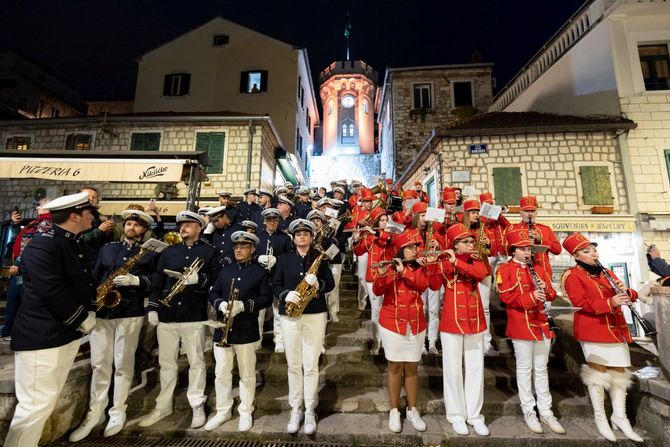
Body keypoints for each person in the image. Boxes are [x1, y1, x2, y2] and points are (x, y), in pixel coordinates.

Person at [4, 192, 97, 447]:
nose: (93, 216)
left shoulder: (73, 243)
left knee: (45, 403)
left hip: (62, 335)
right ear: (75, 216)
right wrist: (81, 318)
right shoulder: (45, 245)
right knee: (34, 407)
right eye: (88, 212)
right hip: (41, 336)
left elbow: (83, 283)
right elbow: (52, 290)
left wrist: (91, 309)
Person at [70, 209, 161, 441]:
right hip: (103, 313)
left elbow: (158, 281)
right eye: (129, 223)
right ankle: (95, 413)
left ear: (144, 230)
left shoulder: (149, 253)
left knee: (123, 364)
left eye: (137, 225)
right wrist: (91, 306)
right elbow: (95, 277)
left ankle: (118, 410)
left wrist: (137, 280)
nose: (132, 228)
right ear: (124, 227)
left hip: (130, 312)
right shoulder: (108, 249)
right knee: (99, 364)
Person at [139, 211, 219, 429]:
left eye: (188, 224)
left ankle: (197, 405)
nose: (182, 228)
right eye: (181, 224)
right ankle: (163, 406)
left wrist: (199, 279)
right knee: (166, 364)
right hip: (167, 314)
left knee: (196, 363)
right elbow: (158, 281)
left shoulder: (209, 251)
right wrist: (153, 308)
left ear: (199, 227)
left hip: (193, 314)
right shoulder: (169, 252)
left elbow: (215, 277)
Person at [561, 233, 643, 442]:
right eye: (587, 251)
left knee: (619, 373)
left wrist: (628, 293)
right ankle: (600, 417)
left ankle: (620, 416)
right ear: (576, 256)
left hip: (615, 329)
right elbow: (580, 302)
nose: (593, 254)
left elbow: (625, 292)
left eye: (594, 250)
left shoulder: (605, 273)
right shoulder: (572, 275)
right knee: (597, 374)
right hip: (593, 329)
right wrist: (611, 303)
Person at [496, 228, 565, 435]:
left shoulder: (539, 268)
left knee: (542, 369)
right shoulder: (504, 270)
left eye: (529, 249)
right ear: (513, 250)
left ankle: (546, 411)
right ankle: (529, 411)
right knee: (525, 369)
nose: (528, 252)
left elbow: (552, 294)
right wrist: (532, 296)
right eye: (524, 249)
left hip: (542, 323)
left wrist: (546, 288)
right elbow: (506, 298)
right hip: (521, 324)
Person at [205, 231, 272, 431]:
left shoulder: (260, 272)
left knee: (247, 374)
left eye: (243, 247)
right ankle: (223, 411)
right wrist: (221, 304)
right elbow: (214, 292)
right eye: (236, 247)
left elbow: (266, 298)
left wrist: (245, 305)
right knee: (221, 373)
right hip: (223, 328)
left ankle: (245, 409)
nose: (238, 250)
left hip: (246, 329)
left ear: (252, 249)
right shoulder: (226, 270)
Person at [427, 223, 489, 437]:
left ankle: (475, 415)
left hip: (475, 320)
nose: (471, 244)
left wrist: (458, 263)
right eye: (466, 242)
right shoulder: (444, 261)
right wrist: (432, 263)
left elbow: (480, 275)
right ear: (455, 245)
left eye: (471, 241)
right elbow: (434, 285)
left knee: (475, 368)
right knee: (452, 370)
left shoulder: (476, 260)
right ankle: (456, 415)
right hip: (452, 321)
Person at [273, 219, 335, 434]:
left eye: (305, 233)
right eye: (298, 233)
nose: (302, 236)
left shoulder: (320, 258)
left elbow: (331, 284)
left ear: (311, 237)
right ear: (293, 237)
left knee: (310, 365)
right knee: (293, 364)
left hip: (315, 314)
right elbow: (275, 284)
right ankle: (295, 408)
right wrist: (284, 295)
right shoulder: (283, 259)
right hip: (290, 315)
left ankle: (310, 409)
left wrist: (320, 284)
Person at [373, 229, 430, 433]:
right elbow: (378, 290)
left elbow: (423, 285)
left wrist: (405, 271)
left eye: (416, 247)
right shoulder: (388, 266)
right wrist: (381, 276)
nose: (416, 250)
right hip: (392, 323)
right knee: (395, 367)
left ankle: (413, 409)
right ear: (401, 249)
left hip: (415, 322)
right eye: (411, 248)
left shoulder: (420, 267)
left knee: (413, 368)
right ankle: (395, 410)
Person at [352, 207, 394, 355]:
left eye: (385, 220)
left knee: (388, 309)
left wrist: (375, 232)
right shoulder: (369, 237)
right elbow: (358, 251)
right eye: (381, 220)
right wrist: (357, 239)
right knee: (376, 310)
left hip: (389, 276)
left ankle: (388, 342)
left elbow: (388, 240)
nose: (384, 222)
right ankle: (377, 342)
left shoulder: (392, 234)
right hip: (372, 277)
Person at [256, 208, 293, 352]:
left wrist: (277, 260)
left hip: (277, 279)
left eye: (275, 220)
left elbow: (289, 258)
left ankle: (279, 340)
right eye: (269, 220)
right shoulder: (258, 238)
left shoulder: (284, 238)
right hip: (261, 280)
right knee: (259, 313)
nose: (272, 222)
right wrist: (258, 258)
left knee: (278, 312)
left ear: (279, 221)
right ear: (264, 221)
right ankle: (256, 339)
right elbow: (251, 256)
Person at [506, 196, 561, 277]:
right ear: (520, 212)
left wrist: (541, 239)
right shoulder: (512, 229)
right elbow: (507, 251)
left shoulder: (545, 229)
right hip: (520, 271)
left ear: (536, 212)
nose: (530, 214)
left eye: (532, 211)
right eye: (526, 211)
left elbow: (557, 250)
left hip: (543, 271)